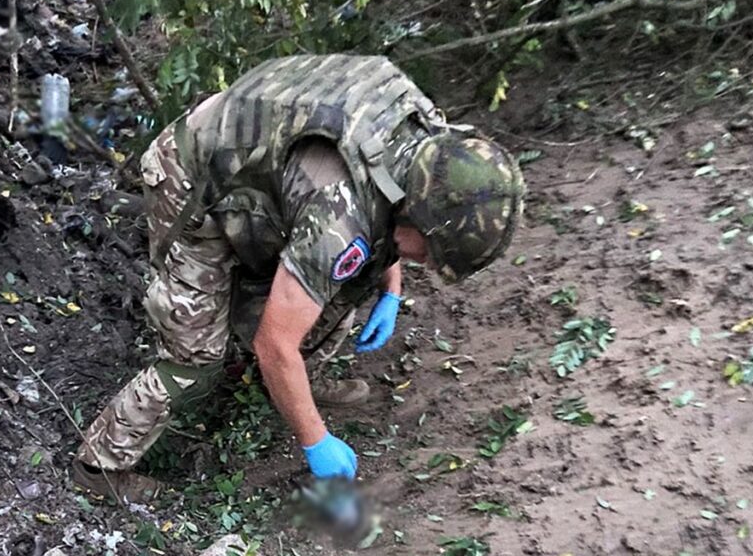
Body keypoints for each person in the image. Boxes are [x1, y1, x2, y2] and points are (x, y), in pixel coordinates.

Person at [72, 54, 524, 501]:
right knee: (194, 357)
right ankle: (99, 467)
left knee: (343, 285)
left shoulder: (430, 148)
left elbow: (386, 206)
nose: (423, 261)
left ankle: (290, 383)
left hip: (265, 169)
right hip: (193, 176)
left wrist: (392, 288)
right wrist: (315, 440)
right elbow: (275, 342)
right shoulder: (338, 221)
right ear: (417, 213)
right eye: (428, 251)